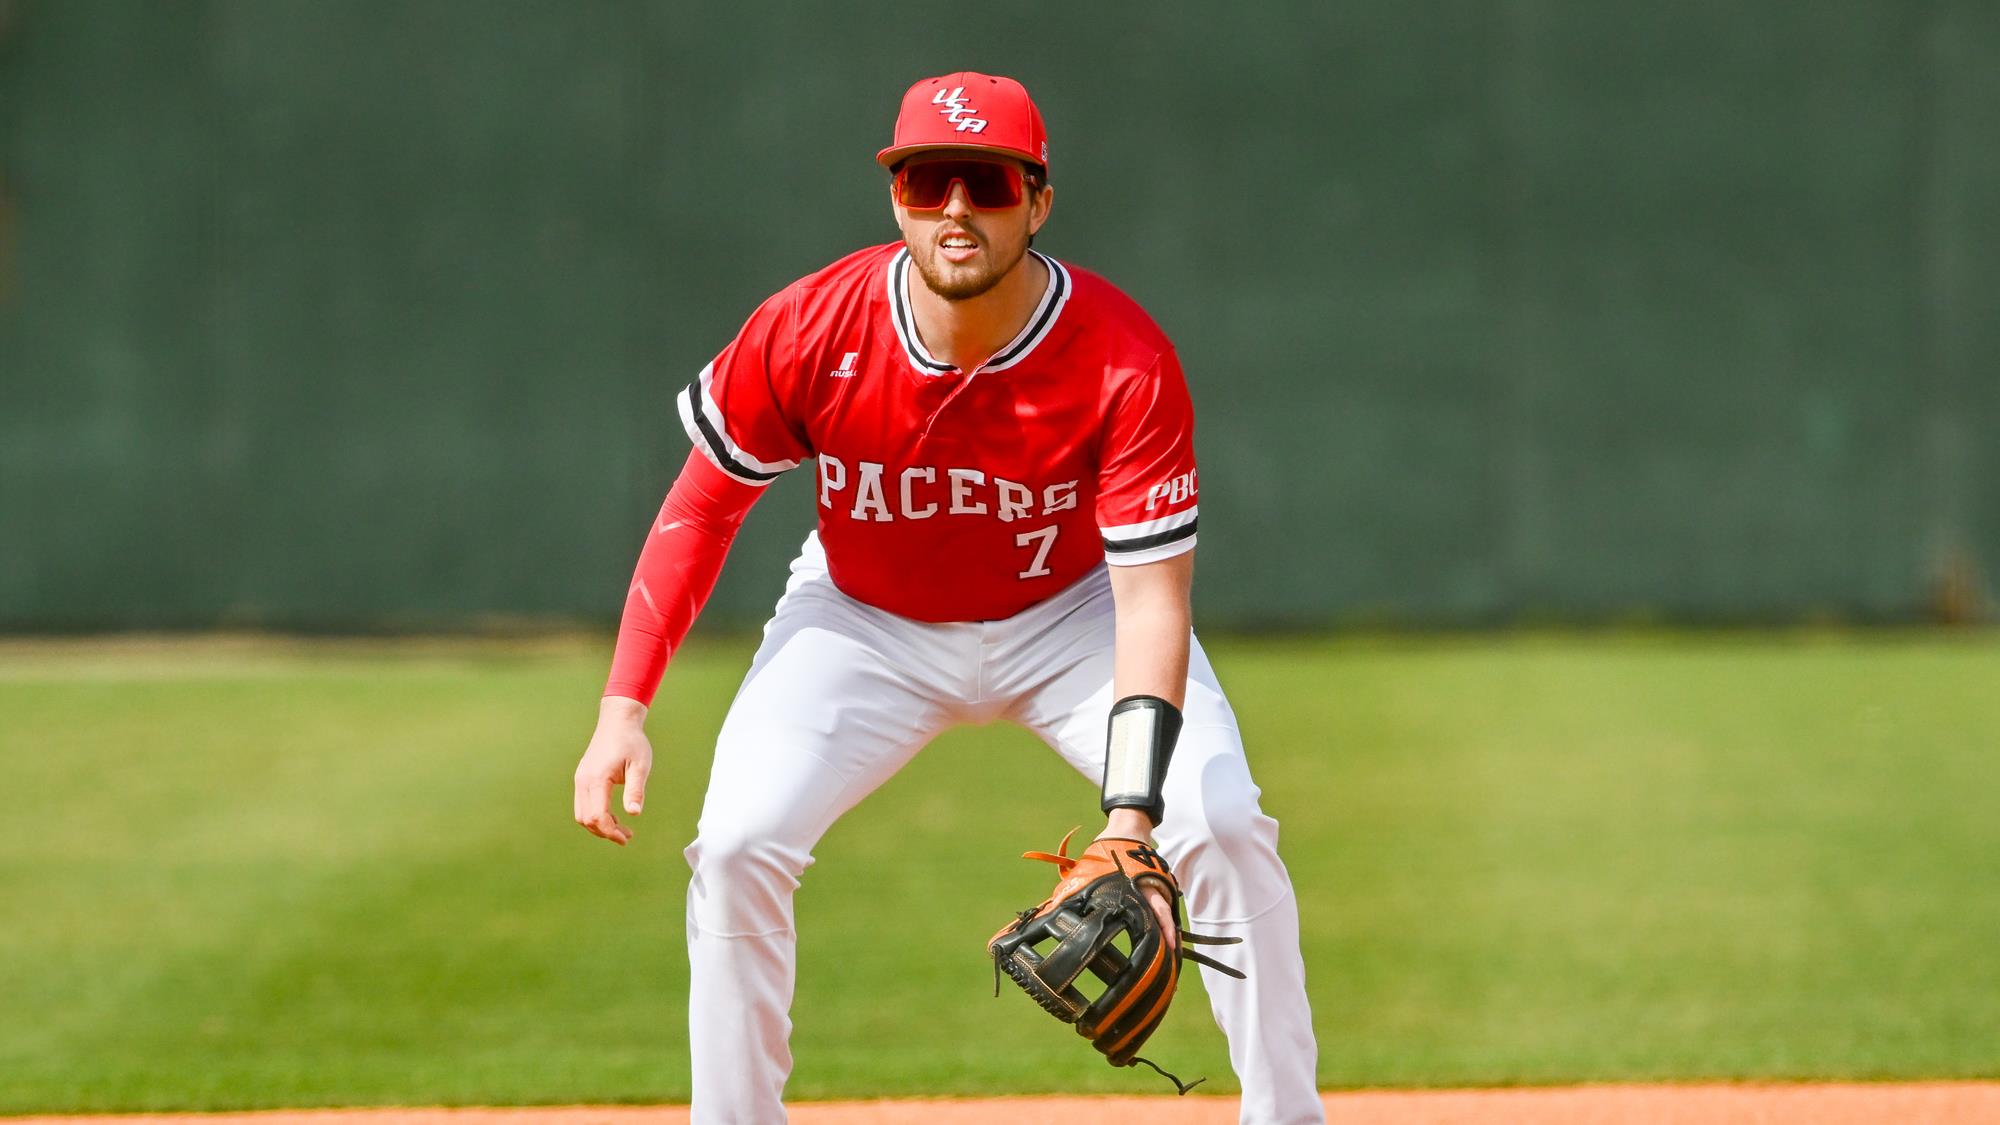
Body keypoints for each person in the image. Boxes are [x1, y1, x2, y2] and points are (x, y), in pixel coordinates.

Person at [572, 71, 1323, 1124]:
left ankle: (1288, 1115)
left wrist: (1128, 817)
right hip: (861, 620)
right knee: (738, 842)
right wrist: (622, 708)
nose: (956, 209)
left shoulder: (1121, 356)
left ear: (1037, 199)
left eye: (985, 181)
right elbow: (700, 511)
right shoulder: (809, 326)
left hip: (1073, 619)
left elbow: (1152, 603)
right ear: (896, 197)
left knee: (1226, 822)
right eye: (927, 182)